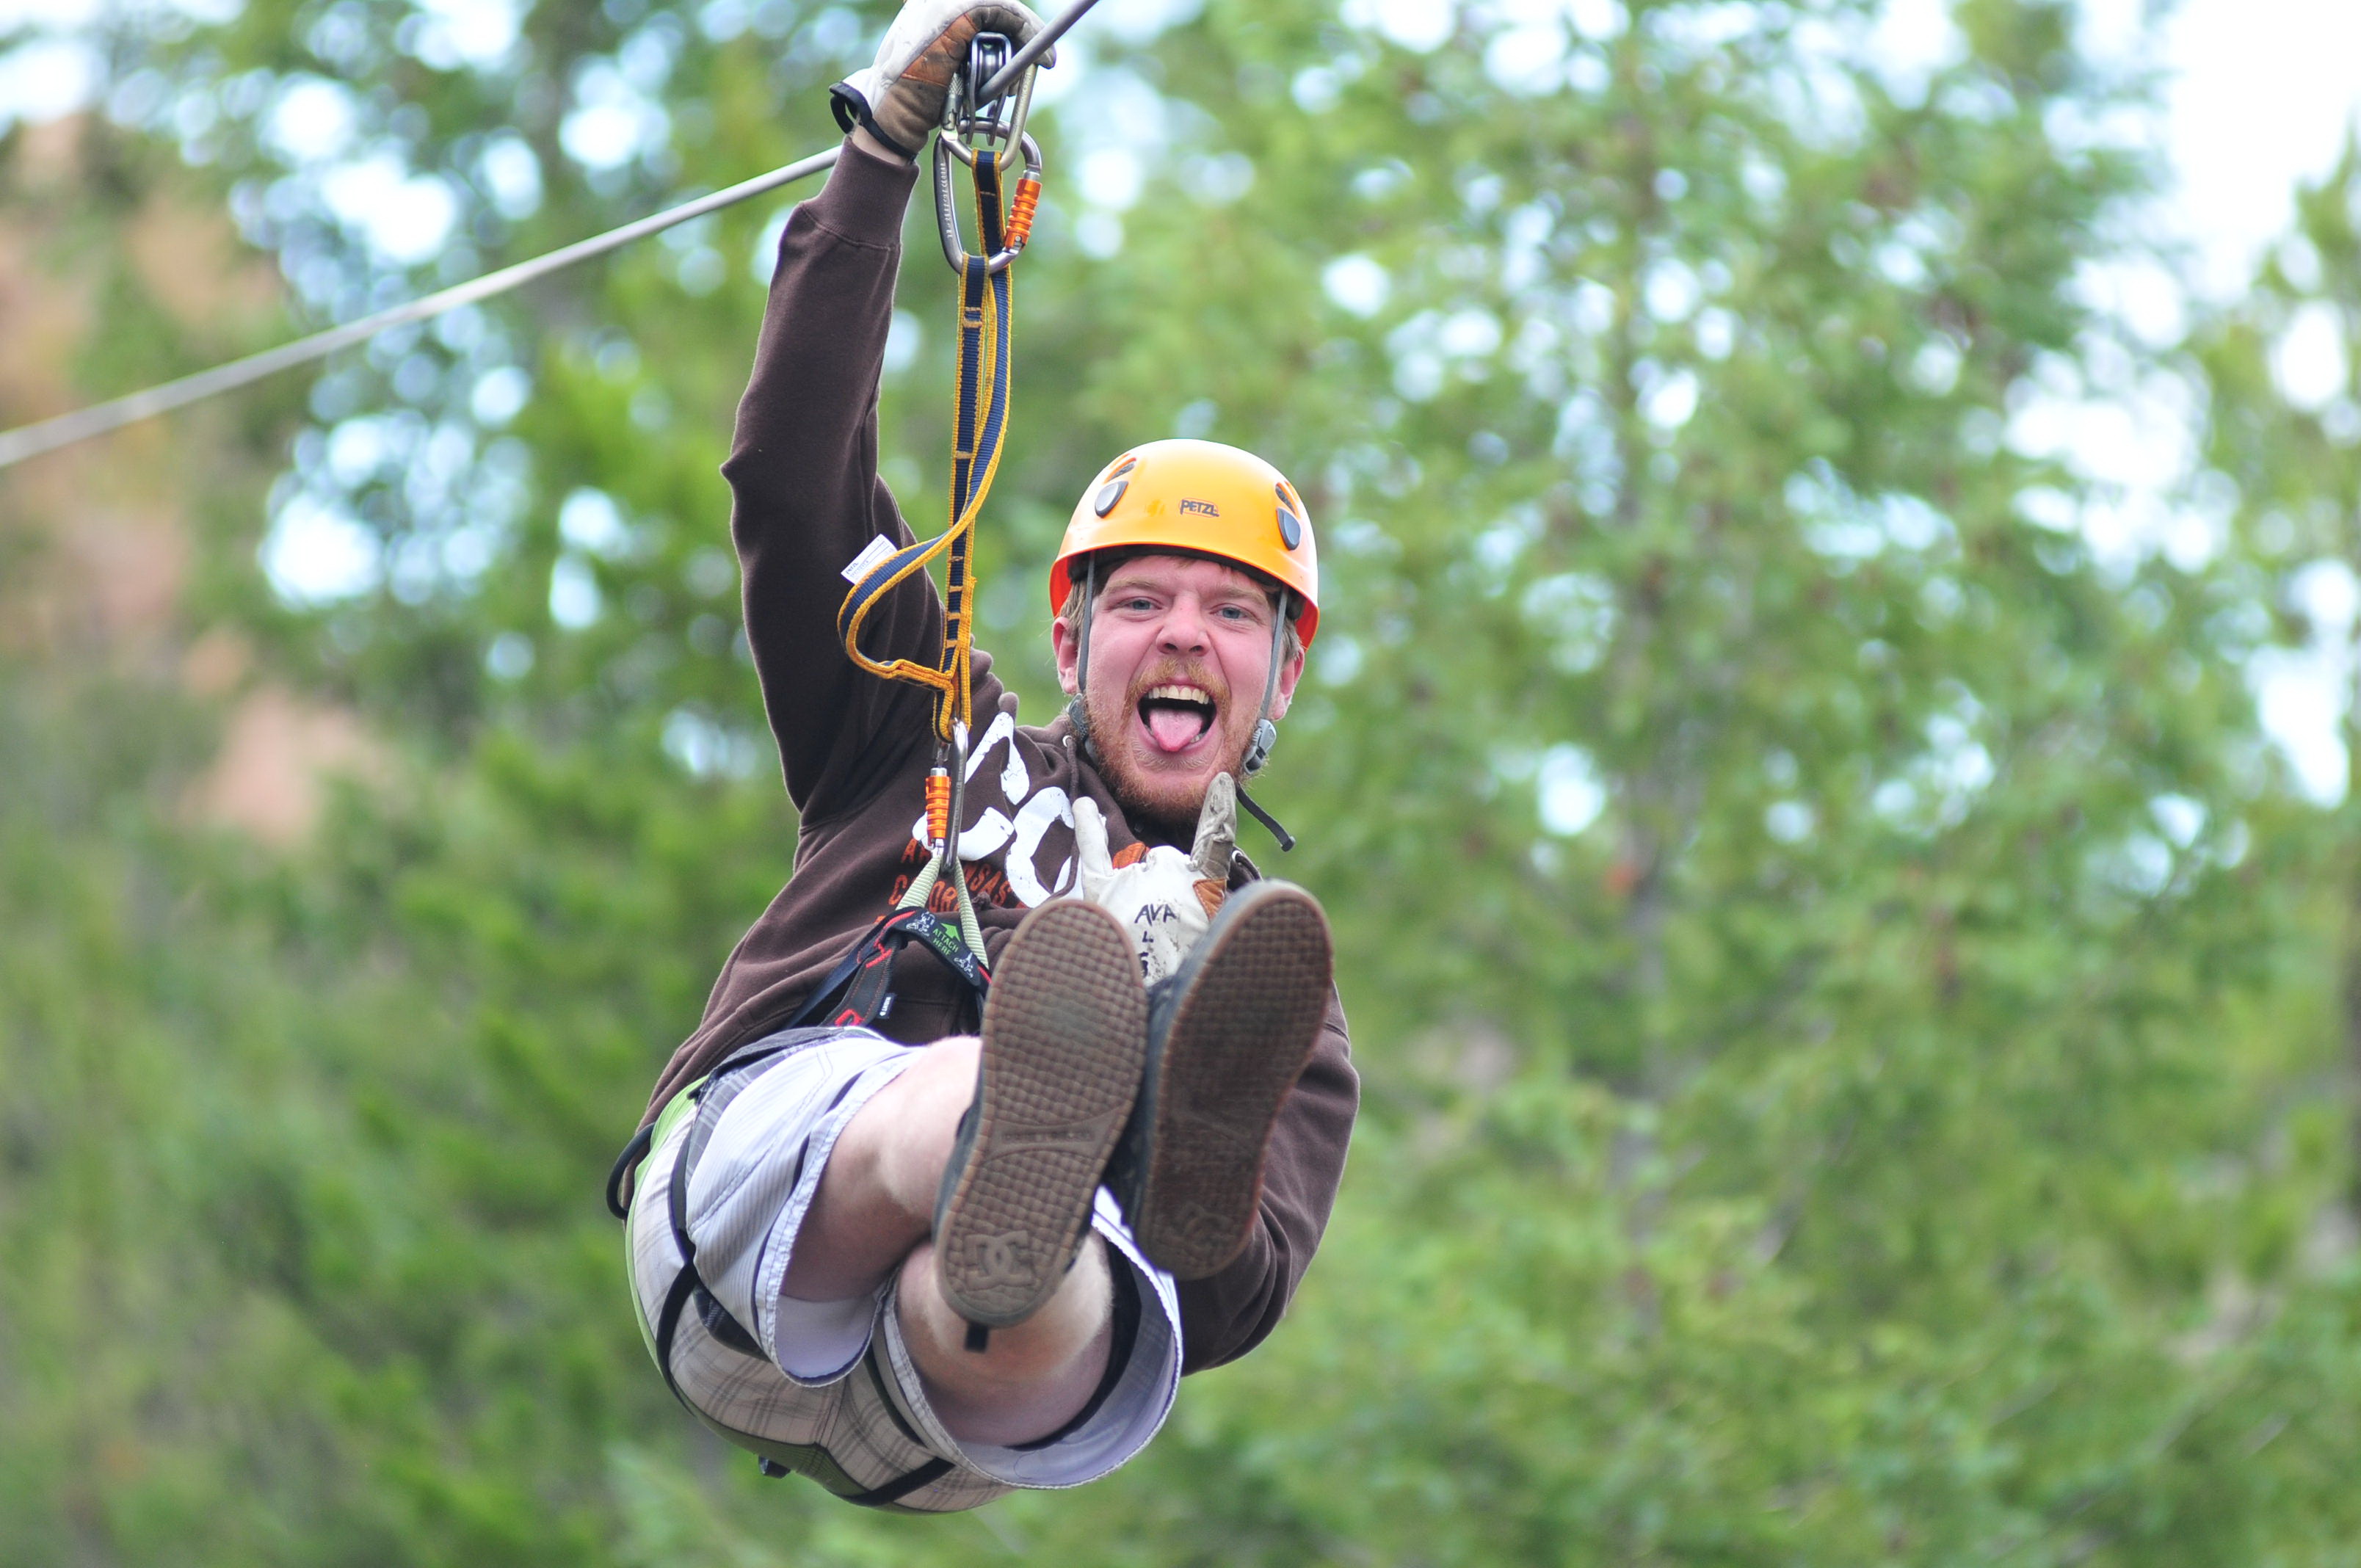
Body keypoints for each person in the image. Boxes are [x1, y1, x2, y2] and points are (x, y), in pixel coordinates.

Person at [612, 0, 1358, 1513]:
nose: (1182, 640)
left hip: (953, 1400)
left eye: (1232, 615)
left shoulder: (1272, 987)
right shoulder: (926, 712)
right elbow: (792, 470)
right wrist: (885, 147)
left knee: (1074, 1273)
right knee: (973, 1091)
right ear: (1072, 640)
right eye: (1140, 602)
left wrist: (1178, 1152)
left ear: (1282, 674)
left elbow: (1239, 1295)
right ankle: (1033, 1112)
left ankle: (1079, 1169)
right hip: (756, 1227)